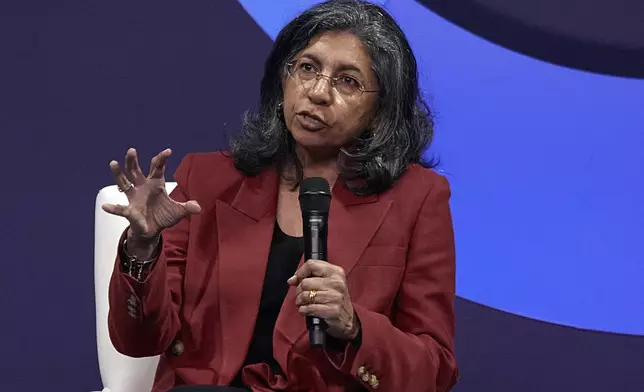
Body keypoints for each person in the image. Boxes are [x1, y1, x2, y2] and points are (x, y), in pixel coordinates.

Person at [103, 1, 458, 391]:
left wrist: (354, 327)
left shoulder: (417, 198)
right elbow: (138, 341)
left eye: (348, 81)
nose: (318, 93)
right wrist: (142, 248)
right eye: (307, 68)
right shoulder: (207, 179)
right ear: (283, 79)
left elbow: (434, 371)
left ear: (380, 111)